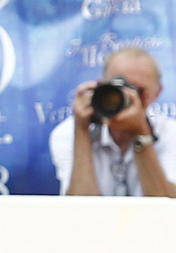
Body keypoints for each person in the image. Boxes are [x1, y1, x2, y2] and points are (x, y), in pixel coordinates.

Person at [51, 48, 176, 196]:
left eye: (138, 91)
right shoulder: (68, 133)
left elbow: (166, 209)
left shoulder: (169, 134)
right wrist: (82, 131)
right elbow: (81, 209)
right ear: (101, 86)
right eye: (119, 89)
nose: (128, 98)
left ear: (157, 92)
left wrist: (140, 134)